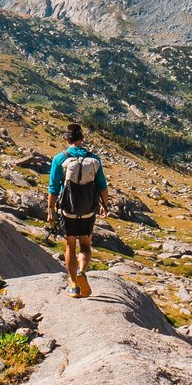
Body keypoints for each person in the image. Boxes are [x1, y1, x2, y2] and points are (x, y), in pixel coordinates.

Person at [46, 122, 109, 298]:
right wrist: (105, 206)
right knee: (86, 245)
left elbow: (53, 188)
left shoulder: (60, 159)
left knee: (70, 245)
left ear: (67, 139)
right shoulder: (94, 159)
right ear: (82, 139)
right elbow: (102, 185)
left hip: (68, 210)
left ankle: (74, 284)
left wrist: (50, 209)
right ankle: (82, 271)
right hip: (88, 210)